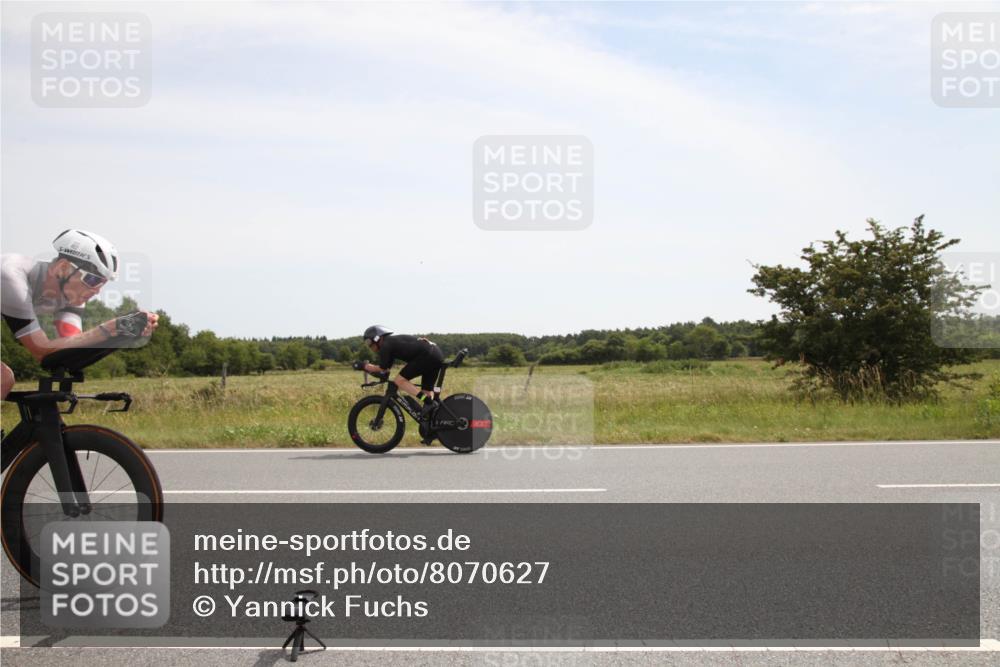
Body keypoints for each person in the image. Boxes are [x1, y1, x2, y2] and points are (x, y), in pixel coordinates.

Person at [1, 229, 159, 400]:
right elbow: (41, 349)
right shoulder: (10, 276)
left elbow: (70, 347)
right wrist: (107, 329)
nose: (97, 291)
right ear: (63, 268)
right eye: (93, 280)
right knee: (3, 378)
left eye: (102, 283)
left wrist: (124, 331)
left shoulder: (70, 295)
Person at [355, 325, 444, 419]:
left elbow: (382, 368)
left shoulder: (386, 345)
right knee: (426, 392)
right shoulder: (391, 343)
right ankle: (435, 422)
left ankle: (428, 402)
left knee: (399, 381)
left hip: (428, 355)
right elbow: (385, 370)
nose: (369, 346)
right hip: (435, 354)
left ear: (377, 338)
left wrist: (363, 366)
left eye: (369, 341)